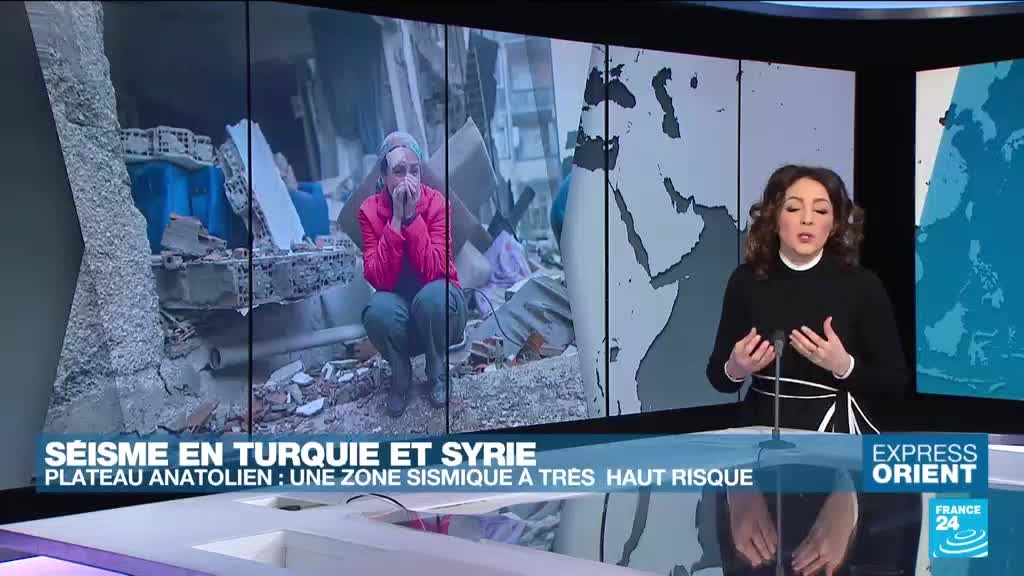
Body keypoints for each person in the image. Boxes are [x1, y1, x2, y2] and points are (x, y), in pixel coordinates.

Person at [706, 165, 920, 576]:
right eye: (794, 208)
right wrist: (736, 366)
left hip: (840, 446)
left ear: (835, 223)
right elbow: (718, 377)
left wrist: (844, 366)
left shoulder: (862, 286)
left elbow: (895, 383)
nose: (807, 219)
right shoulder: (746, 282)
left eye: (820, 210)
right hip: (760, 440)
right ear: (774, 217)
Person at [358, 132, 467, 418]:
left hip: (442, 312)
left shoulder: (437, 204)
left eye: (414, 171)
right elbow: (379, 279)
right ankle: (401, 375)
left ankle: (438, 372)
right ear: (384, 176)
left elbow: (435, 270)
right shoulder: (369, 212)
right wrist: (395, 220)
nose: (408, 179)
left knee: (433, 297)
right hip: (402, 318)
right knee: (377, 310)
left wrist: (412, 217)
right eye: (398, 171)